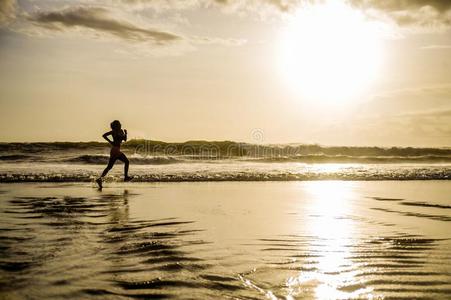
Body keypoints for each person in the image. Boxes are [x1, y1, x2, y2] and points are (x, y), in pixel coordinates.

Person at [96, 120, 132, 188]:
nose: (120, 125)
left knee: (109, 167)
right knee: (127, 161)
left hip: (115, 150)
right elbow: (104, 135)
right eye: (118, 124)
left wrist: (126, 133)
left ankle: (99, 179)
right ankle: (126, 177)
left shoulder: (121, 131)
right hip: (115, 150)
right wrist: (110, 141)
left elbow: (124, 140)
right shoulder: (113, 131)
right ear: (116, 125)